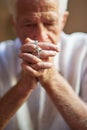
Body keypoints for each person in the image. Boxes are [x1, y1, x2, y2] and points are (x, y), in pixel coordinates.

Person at [0, 0, 87, 130]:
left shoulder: (84, 50)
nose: (40, 36)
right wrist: (23, 87)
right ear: (15, 23)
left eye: (49, 23)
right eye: (29, 24)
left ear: (63, 20)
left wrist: (51, 78)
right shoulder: (2, 57)